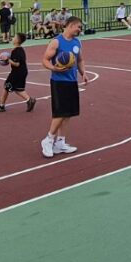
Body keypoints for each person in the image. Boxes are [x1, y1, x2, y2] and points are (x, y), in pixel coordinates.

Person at [41, 16, 86, 158]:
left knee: (68, 114)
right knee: (60, 112)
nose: (80, 30)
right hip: (59, 82)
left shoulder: (77, 42)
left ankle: (60, 143)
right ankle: (48, 140)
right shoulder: (56, 41)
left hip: (72, 81)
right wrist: (54, 68)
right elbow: (45, 60)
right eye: (78, 27)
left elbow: (80, 60)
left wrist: (83, 73)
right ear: (71, 25)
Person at [0, 33, 37, 112]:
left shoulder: (16, 51)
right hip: (23, 71)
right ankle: (29, 100)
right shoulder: (21, 49)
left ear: (17, 40)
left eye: (14, 37)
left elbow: (17, 64)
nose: (13, 38)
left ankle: (1, 106)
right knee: (18, 89)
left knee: (6, 87)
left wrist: (7, 59)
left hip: (17, 73)